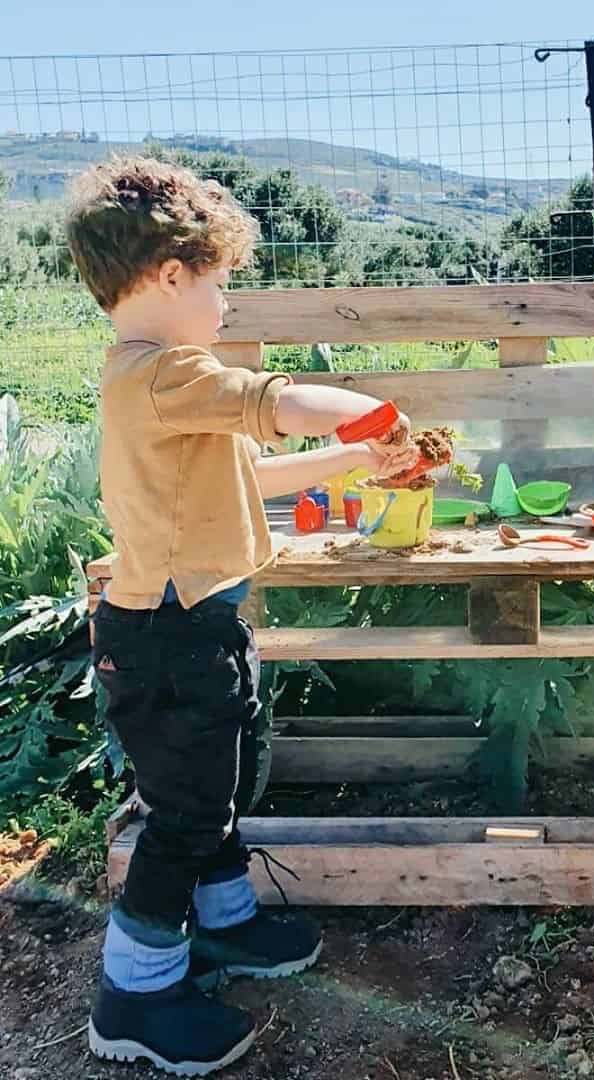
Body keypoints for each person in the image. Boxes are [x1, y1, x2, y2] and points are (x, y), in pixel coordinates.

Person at [65, 155, 419, 1076]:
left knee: (211, 794)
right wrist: (374, 418)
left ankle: (223, 926)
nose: (226, 306)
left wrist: (355, 465)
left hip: (192, 627)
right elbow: (275, 404)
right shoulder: (162, 373)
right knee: (184, 814)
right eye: (220, 284)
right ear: (172, 273)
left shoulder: (157, 388)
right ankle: (134, 996)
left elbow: (248, 474)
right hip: (171, 637)